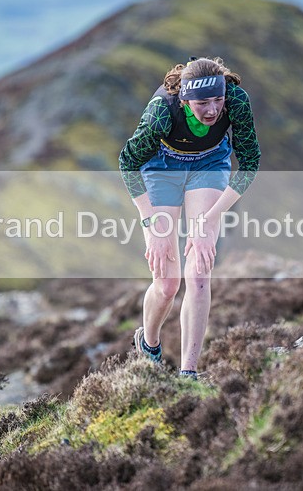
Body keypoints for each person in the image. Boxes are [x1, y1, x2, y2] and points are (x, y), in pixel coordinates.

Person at [118, 56, 260, 379]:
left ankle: (188, 374)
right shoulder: (162, 111)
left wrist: (210, 219)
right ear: (185, 99)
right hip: (161, 167)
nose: (212, 110)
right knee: (167, 282)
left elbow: (250, 162)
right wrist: (150, 222)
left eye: (217, 101)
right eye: (202, 103)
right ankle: (149, 345)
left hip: (209, 165)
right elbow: (127, 161)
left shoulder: (236, 100)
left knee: (199, 270)